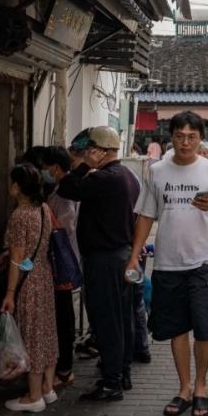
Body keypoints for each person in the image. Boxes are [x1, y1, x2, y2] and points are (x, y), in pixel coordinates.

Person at [128, 110, 208, 416]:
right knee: (177, 327)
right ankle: (184, 388)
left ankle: (202, 386)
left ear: (200, 139)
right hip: (168, 262)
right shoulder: (157, 171)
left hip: (205, 260)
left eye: (192, 137)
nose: (186, 142)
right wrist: (134, 254)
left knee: (203, 325)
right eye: (180, 136)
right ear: (170, 137)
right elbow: (146, 215)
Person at [58, 126, 139, 401]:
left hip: (104, 260)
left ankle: (111, 382)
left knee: (106, 320)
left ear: (99, 151)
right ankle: (122, 373)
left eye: (88, 151)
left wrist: (83, 167)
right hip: (121, 256)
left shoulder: (104, 178)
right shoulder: (127, 176)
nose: (82, 157)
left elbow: (67, 188)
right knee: (121, 318)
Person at [1, 164, 58, 412]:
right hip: (44, 277)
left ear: (16, 187)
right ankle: (47, 388)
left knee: (32, 335)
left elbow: (17, 258)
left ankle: (33, 396)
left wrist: (10, 293)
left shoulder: (20, 215)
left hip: (28, 283)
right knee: (45, 332)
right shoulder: (43, 209)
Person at [42, 146, 80, 386]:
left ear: (54, 167)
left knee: (63, 316)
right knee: (64, 314)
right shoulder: (64, 188)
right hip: (64, 261)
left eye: (45, 167)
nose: (43, 172)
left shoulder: (65, 191)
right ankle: (64, 366)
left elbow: (66, 225)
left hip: (62, 263)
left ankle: (64, 368)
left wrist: (45, 220)